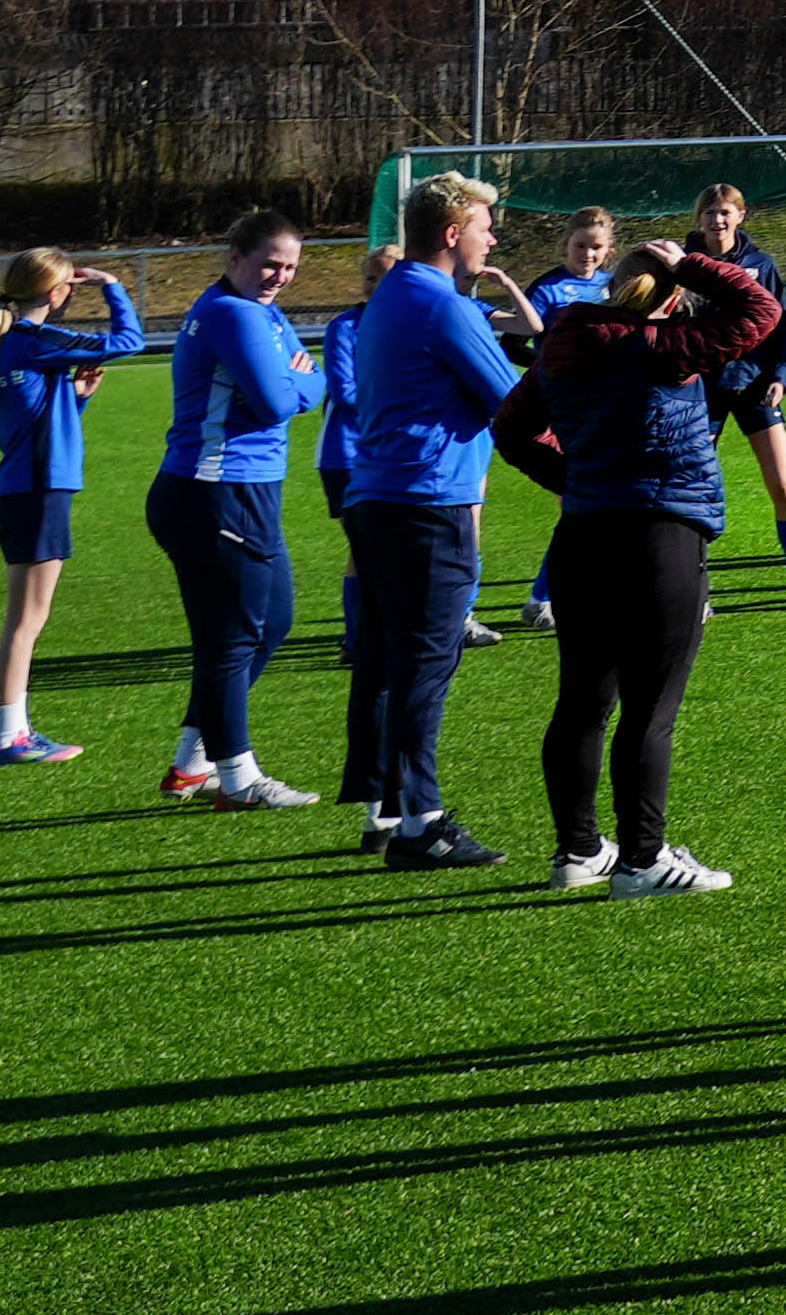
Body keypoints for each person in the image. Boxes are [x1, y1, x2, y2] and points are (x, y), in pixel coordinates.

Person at [501, 220, 785, 894]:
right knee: (651, 708)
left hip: (583, 537)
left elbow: (512, 430)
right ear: (666, 295)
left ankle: (577, 851)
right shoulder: (668, 345)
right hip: (660, 537)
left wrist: (575, 479)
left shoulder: (564, 342)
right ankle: (641, 857)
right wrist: (692, 264)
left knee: (582, 703)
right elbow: (762, 311)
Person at [328, 177, 526, 871]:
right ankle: (422, 822)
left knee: (387, 659)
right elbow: (515, 401)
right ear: (452, 234)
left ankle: (385, 808)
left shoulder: (391, 295)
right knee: (427, 663)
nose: (492, 238)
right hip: (427, 502)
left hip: (379, 497)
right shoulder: (444, 306)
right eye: (485, 227)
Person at [146, 214, 320, 809]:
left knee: (273, 622)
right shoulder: (231, 312)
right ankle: (239, 778)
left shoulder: (261, 310)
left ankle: (193, 762)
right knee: (232, 637)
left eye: (291, 266)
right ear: (234, 257)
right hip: (213, 490)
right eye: (271, 262)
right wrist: (297, 384)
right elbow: (279, 400)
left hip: (245, 493)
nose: (281, 276)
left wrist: (299, 382)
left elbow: (318, 380)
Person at [0, 249, 144, 767]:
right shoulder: (34, 340)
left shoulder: (15, 345)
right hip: (38, 492)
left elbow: (38, 420)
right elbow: (129, 342)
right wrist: (112, 285)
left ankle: (12, 732)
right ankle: (7, 739)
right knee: (26, 621)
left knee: (25, 619)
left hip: (25, 490)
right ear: (58, 291)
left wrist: (79, 397)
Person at [676, 179, 786, 607]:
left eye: (725, 211)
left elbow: (780, 327)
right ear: (699, 219)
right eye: (709, 212)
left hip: (755, 386)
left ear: (741, 216)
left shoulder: (762, 264)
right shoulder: (683, 264)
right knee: (692, 489)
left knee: (784, 486)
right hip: (699, 390)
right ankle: (693, 591)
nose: (717, 219)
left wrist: (779, 374)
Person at [510, 206, 621, 634]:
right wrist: (556, 366)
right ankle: (542, 598)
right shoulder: (549, 288)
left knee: (597, 507)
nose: (588, 255)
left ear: (609, 249)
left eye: (596, 247)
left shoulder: (615, 286)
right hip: (562, 409)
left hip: (606, 408)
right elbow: (514, 343)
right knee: (579, 507)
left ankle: (556, 595)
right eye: (580, 246)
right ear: (565, 245)